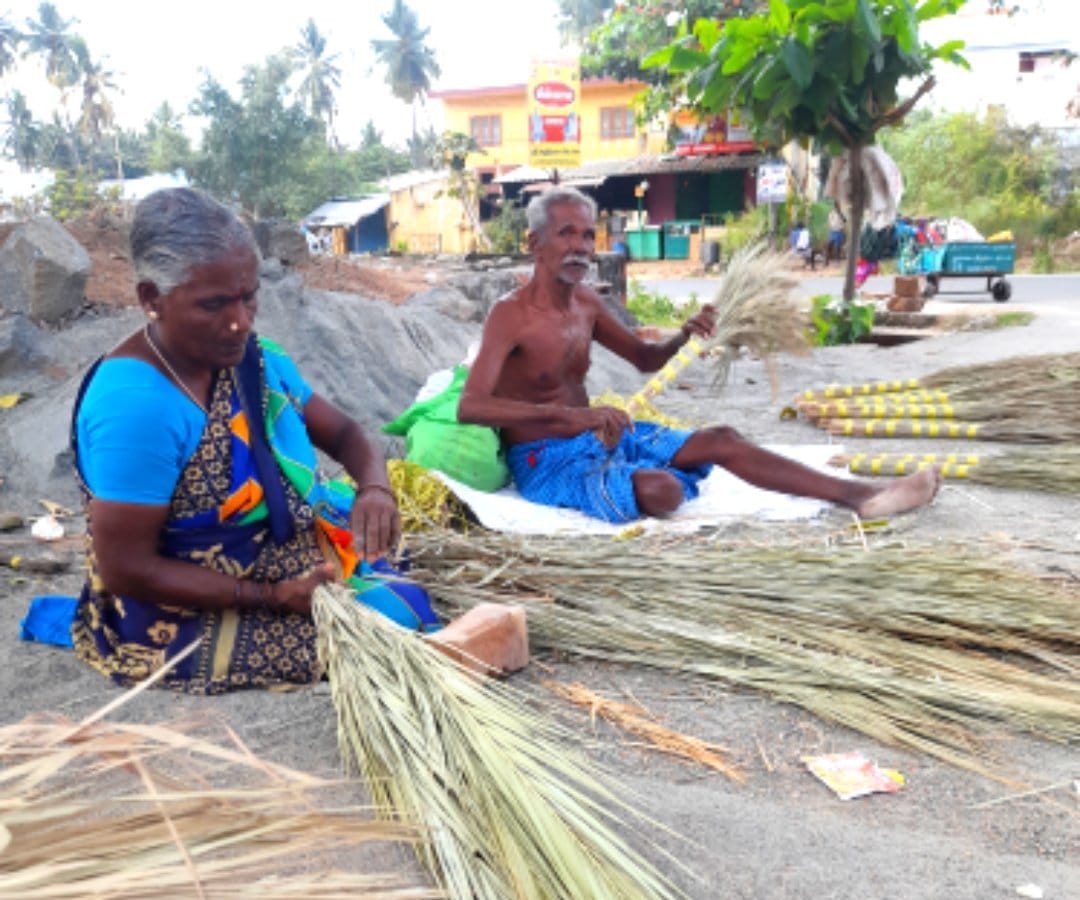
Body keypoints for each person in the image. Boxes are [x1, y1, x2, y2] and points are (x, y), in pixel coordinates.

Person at [69, 188, 503, 694]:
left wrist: (375, 490)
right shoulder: (135, 404)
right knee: (375, 639)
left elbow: (344, 432)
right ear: (151, 299)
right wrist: (272, 595)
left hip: (277, 560)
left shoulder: (254, 360)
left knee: (394, 598)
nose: (241, 321)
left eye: (248, 296)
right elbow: (128, 568)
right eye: (214, 304)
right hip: (173, 605)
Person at [457, 186, 941, 525]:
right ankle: (644, 474)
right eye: (566, 234)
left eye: (587, 236)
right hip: (547, 458)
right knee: (662, 491)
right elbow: (471, 406)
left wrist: (682, 337)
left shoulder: (586, 303)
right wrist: (568, 419)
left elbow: (645, 359)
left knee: (722, 437)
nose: (581, 247)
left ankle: (862, 497)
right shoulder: (510, 315)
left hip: (600, 435)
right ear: (534, 244)